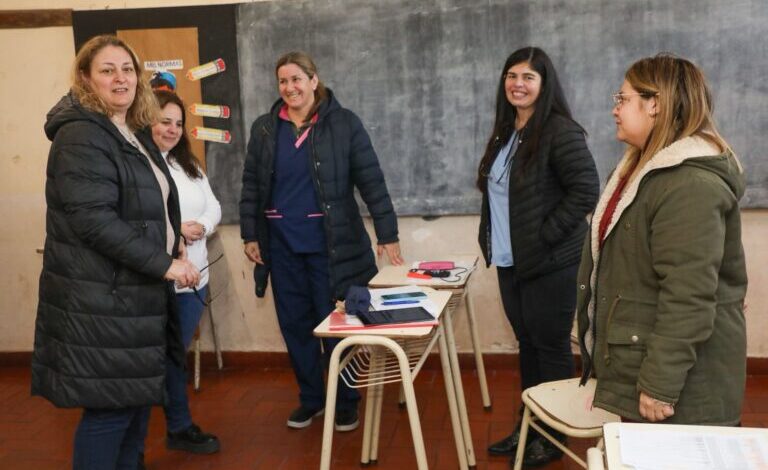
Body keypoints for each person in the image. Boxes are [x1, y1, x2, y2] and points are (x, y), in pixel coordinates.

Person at [31, 35, 200, 469]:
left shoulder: (131, 130)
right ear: (86, 78)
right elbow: (95, 221)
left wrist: (171, 234)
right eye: (107, 70)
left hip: (134, 295)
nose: (120, 78)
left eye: (127, 68)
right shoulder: (82, 134)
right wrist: (166, 263)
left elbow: (142, 205)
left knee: (134, 406)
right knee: (111, 412)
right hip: (102, 299)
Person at [577, 54, 747, 425]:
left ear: (654, 104)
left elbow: (688, 295)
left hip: (680, 392)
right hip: (640, 363)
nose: (615, 110)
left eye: (622, 99)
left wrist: (659, 384)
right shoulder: (640, 169)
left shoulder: (689, 184)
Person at [240, 51, 403, 432]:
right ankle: (312, 399)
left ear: (314, 81)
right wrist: (250, 233)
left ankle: (345, 400)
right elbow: (251, 185)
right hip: (281, 247)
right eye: (283, 81)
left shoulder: (344, 124)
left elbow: (372, 181)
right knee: (295, 325)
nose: (290, 87)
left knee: (335, 325)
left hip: (330, 246)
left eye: (297, 79)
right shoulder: (265, 128)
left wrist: (387, 233)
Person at [477, 47, 599, 467]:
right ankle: (529, 426)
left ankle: (552, 436)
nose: (518, 83)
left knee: (549, 348)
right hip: (512, 263)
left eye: (529, 76)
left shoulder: (559, 131)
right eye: (511, 75)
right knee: (527, 345)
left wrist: (545, 235)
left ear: (544, 84)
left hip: (551, 262)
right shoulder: (506, 131)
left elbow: (586, 190)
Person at [141, 89, 221, 456]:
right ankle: (133, 447)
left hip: (194, 279)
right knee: (146, 362)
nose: (171, 130)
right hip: (156, 280)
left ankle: (179, 427)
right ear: (146, 120)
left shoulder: (188, 164)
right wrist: (175, 228)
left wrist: (201, 226)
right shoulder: (137, 162)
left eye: (178, 124)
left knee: (175, 356)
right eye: (163, 122)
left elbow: (215, 206)